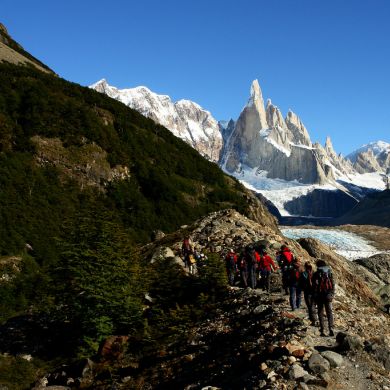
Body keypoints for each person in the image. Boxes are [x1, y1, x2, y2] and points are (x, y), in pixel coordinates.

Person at [312, 259, 335, 337]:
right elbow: (333, 284)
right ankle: (331, 328)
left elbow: (314, 286)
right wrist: (332, 294)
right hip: (328, 295)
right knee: (329, 312)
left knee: (320, 312)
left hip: (319, 296)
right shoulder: (329, 273)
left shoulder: (316, 274)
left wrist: (314, 295)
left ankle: (323, 330)